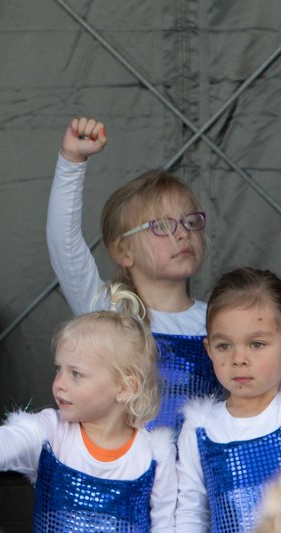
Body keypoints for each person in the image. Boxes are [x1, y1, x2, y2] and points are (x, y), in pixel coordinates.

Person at [0, 284, 176, 531]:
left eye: (76, 374)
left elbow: (166, 526)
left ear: (124, 389)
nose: (59, 384)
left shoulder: (154, 455)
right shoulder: (52, 432)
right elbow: (10, 438)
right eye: (58, 369)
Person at [46, 116, 221, 432]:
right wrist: (72, 160)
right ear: (123, 252)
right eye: (162, 226)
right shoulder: (109, 312)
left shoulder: (217, 320)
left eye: (189, 221)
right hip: (127, 476)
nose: (181, 234)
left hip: (196, 478)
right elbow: (64, 242)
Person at [176, 267, 281, 531]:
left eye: (256, 344)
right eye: (224, 346)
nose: (238, 359)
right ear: (208, 349)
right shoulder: (201, 429)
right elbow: (190, 511)